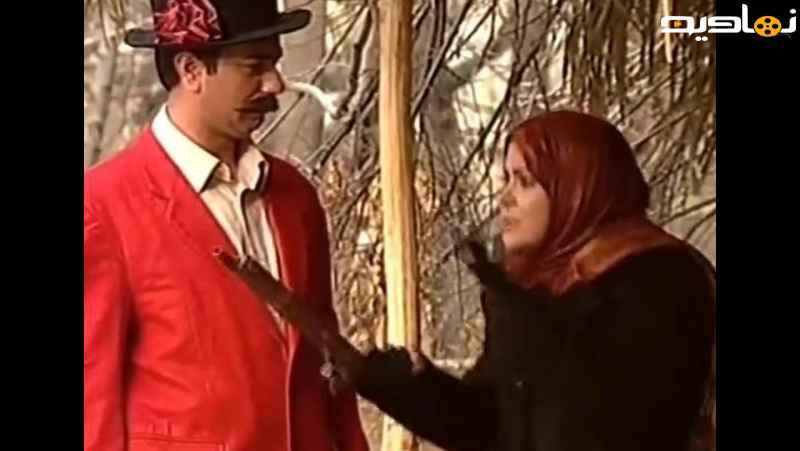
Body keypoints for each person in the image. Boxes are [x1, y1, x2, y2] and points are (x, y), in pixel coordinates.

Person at [219, 110, 716, 451]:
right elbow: (490, 427)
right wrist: (389, 381)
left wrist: (521, 314)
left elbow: (603, 431)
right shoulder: (543, 285)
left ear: (578, 188)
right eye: (506, 180)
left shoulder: (657, 281)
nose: (505, 199)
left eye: (525, 182)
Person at [83, 1, 369, 451]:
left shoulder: (294, 196)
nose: (275, 83)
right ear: (191, 70)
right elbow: (91, 404)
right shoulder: (102, 207)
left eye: (275, 63)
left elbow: (328, 363)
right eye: (255, 66)